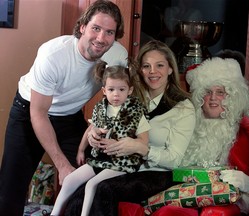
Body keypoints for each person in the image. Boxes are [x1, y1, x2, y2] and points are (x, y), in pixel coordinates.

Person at [0, 1, 127, 215]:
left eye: (109, 32)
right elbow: (38, 114)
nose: (101, 38)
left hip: (69, 116)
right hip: (30, 112)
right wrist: (61, 165)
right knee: (10, 191)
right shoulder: (53, 54)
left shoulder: (117, 56)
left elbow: (120, 96)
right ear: (82, 27)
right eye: (96, 28)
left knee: (91, 174)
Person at [64, 40, 196, 216]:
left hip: (157, 172)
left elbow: (175, 159)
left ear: (170, 69)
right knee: (80, 189)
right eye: (146, 66)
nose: (153, 72)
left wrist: (141, 148)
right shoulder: (130, 96)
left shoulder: (183, 107)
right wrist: (94, 136)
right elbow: (105, 123)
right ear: (140, 70)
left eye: (160, 65)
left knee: (104, 189)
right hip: (124, 165)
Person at [146, 57, 249, 215]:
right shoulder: (185, 125)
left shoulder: (246, 135)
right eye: (207, 92)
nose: (213, 98)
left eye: (220, 92)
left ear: (232, 96)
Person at [51, 60, 150, 216]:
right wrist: (81, 150)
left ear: (129, 90)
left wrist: (121, 144)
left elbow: (144, 142)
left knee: (92, 184)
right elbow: (91, 129)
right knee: (70, 180)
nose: (116, 94)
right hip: (100, 158)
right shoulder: (100, 108)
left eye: (121, 89)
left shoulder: (135, 112)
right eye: (111, 89)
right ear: (104, 90)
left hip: (123, 161)